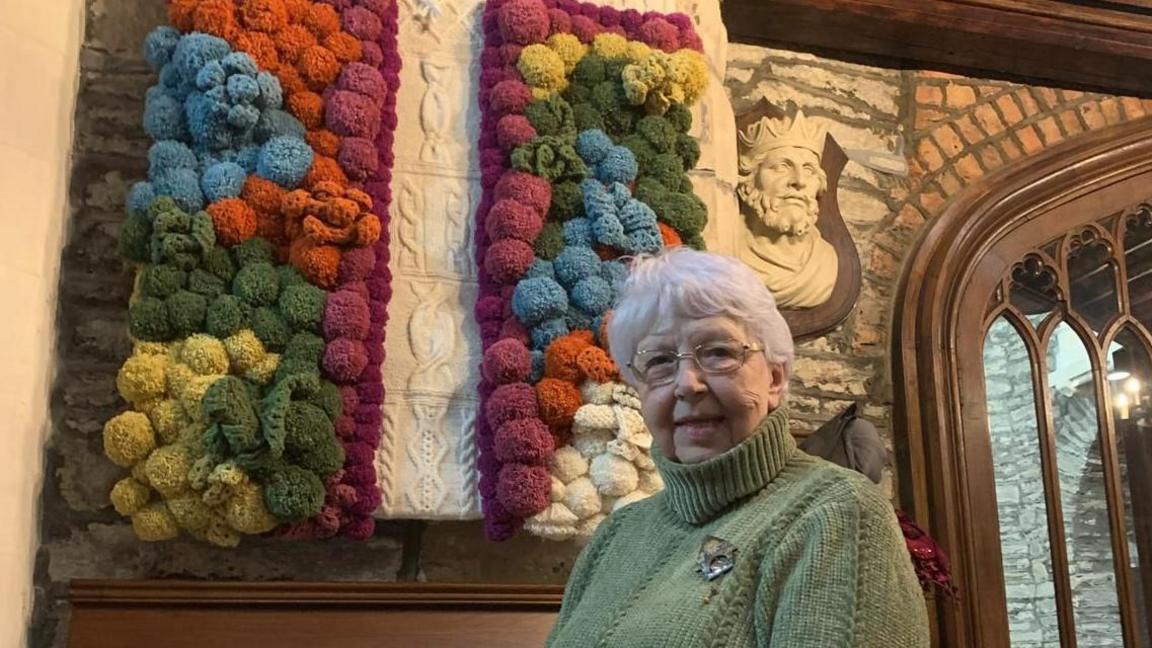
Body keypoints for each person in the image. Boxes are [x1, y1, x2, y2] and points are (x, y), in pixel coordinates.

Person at [546, 247, 929, 647]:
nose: (686, 384)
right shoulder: (617, 535)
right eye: (659, 361)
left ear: (776, 379)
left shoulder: (836, 515)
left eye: (718, 352)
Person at [735, 110, 839, 309]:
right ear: (749, 181)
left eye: (809, 170)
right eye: (782, 166)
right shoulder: (725, 245)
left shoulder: (824, 263)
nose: (799, 181)